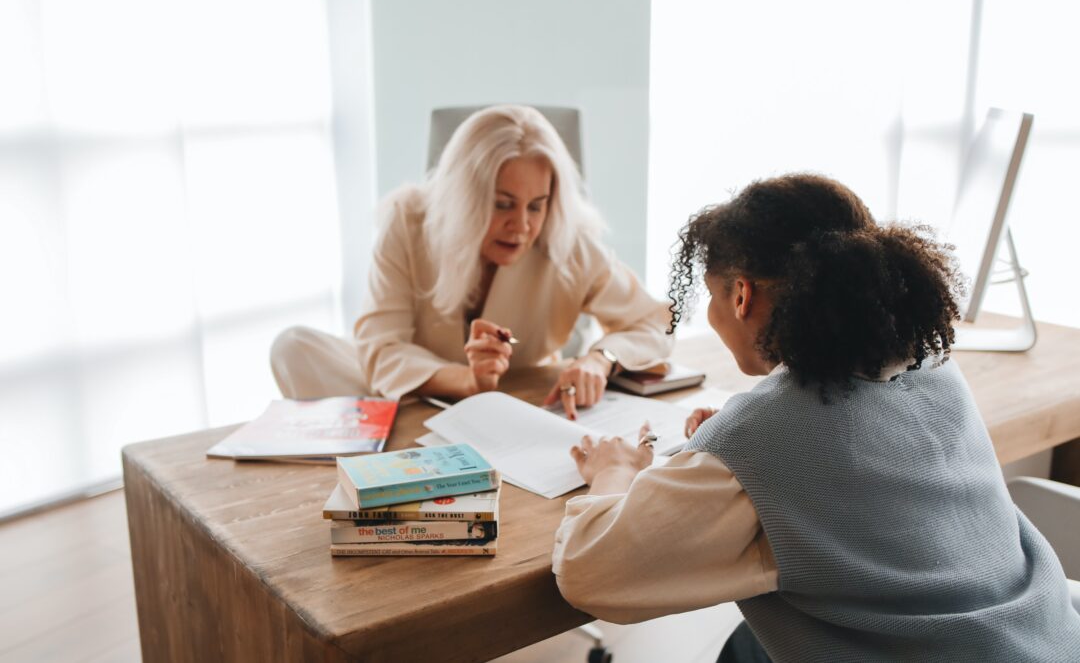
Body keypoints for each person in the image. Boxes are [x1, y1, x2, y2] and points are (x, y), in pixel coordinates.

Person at [552, 174, 1080, 661]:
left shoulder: (764, 436)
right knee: (750, 644)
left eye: (711, 298)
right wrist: (739, 452)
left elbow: (588, 572)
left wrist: (612, 472)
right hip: (1043, 636)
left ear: (741, 295)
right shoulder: (932, 364)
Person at [271, 105, 671, 417]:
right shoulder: (407, 221)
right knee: (293, 347)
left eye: (537, 205)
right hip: (414, 391)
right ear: (464, 195)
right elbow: (381, 348)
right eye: (502, 204)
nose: (522, 226)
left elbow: (655, 321)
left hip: (515, 398)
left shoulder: (568, 239)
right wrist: (467, 381)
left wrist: (601, 360)